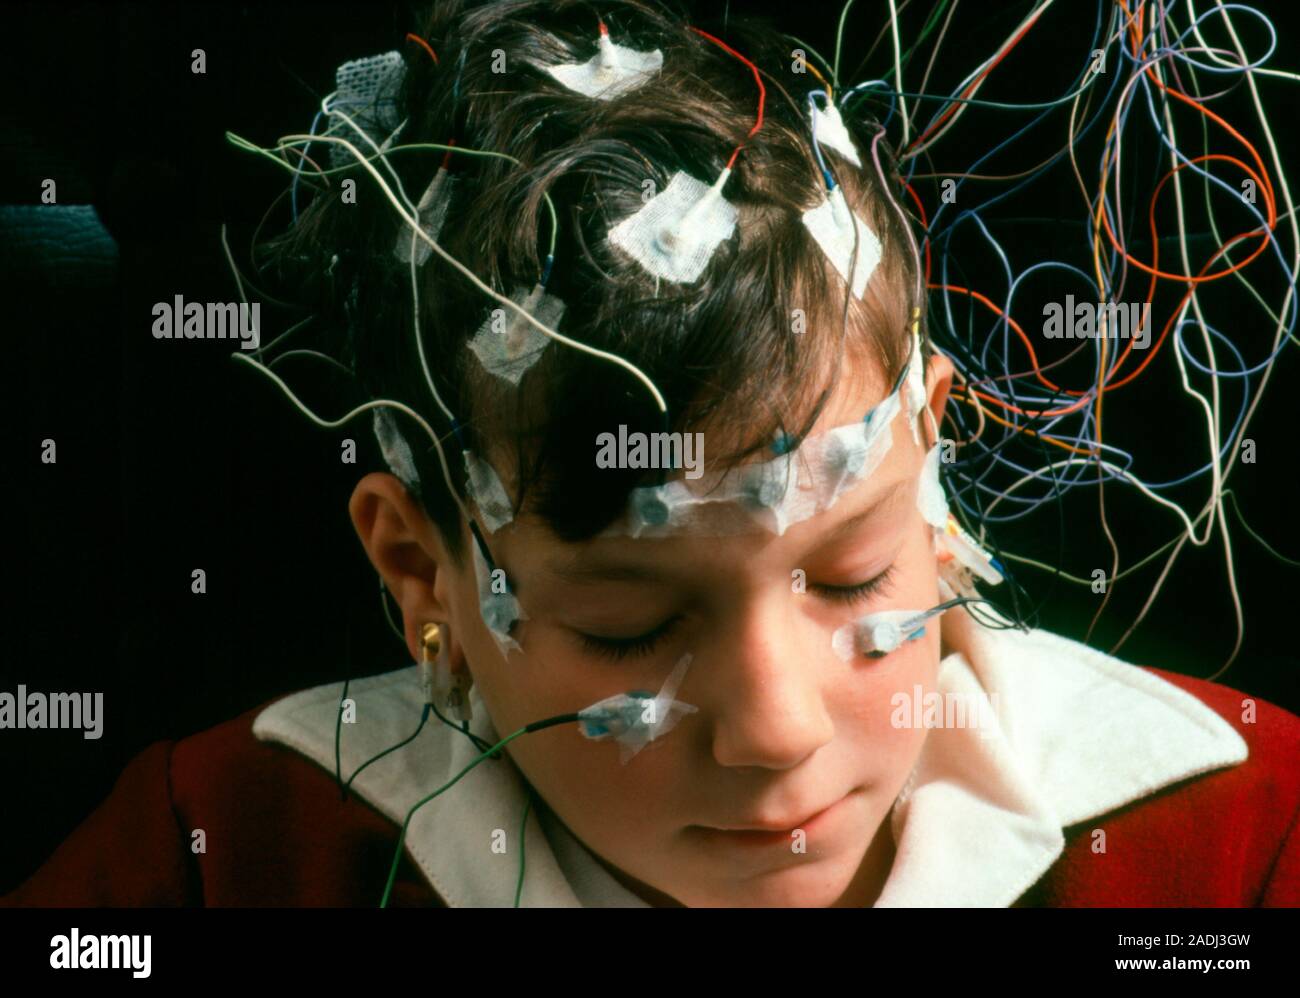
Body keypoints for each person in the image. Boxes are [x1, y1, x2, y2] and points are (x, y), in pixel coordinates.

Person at [5, 0, 1298, 908]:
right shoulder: (226, 854)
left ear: (937, 470)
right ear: (420, 571)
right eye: (630, 626)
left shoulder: (1239, 836)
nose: (776, 729)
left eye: (853, 574)